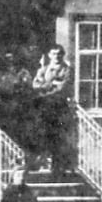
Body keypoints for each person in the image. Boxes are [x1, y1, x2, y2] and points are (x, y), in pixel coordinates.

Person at [30, 46, 75, 174]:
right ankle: (41, 162)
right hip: (44, 107)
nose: (56, 56)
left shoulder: (67, 70)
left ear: (63, 55)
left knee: (58, 136)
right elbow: (35, 85)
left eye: (59, 54)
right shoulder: (43, 70)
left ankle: (57, 166)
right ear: (49, 55)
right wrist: (51, 84)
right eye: (54, 54)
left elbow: (63, 87)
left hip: (58, 107)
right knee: (42, 134)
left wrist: (45, 88)